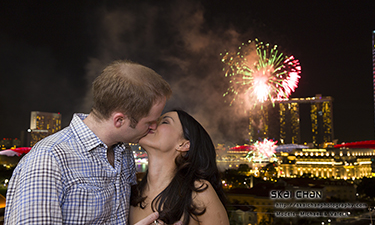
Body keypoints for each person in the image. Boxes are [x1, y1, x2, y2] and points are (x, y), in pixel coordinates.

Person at [5, 60, 172, 225]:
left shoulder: (124, 152)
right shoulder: (48, 160)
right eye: (149, 122)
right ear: (119, 120)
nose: (153, 128)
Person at [130, 110, 230, 225]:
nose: (152, 125)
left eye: (165, 122)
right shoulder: (132, 193)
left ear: (183, 145)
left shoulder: (199, 192)